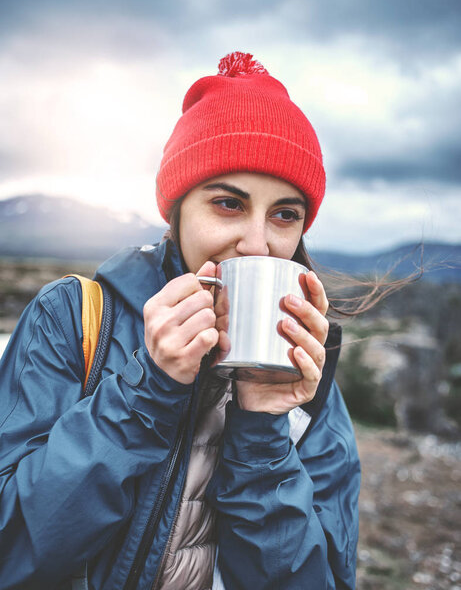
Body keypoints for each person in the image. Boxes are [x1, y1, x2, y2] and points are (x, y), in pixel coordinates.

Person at [0, 52, 360, 589]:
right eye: (228, 204)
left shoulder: (307, 373)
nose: (258, 244)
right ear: (177, 210)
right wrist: (147, 388)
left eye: (285, 214)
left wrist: (262, 430)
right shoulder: (71, 319)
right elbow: (13, 550)